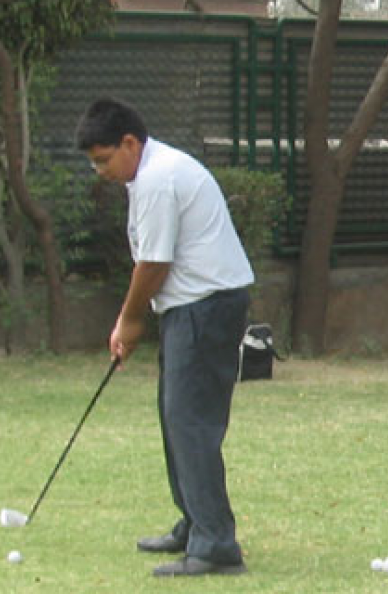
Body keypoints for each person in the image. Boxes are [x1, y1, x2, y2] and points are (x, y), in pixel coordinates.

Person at [75, 98, 254, 578]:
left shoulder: (158, 178)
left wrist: (129, 320)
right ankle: (195, 524)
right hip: (192, 306)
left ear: (129, 143)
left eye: (103, 160)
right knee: (176, 416)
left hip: (206, 306)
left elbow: (154, 263)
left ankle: (215, 544)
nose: (100, 172)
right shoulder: (149, 173)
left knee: (190, 421)